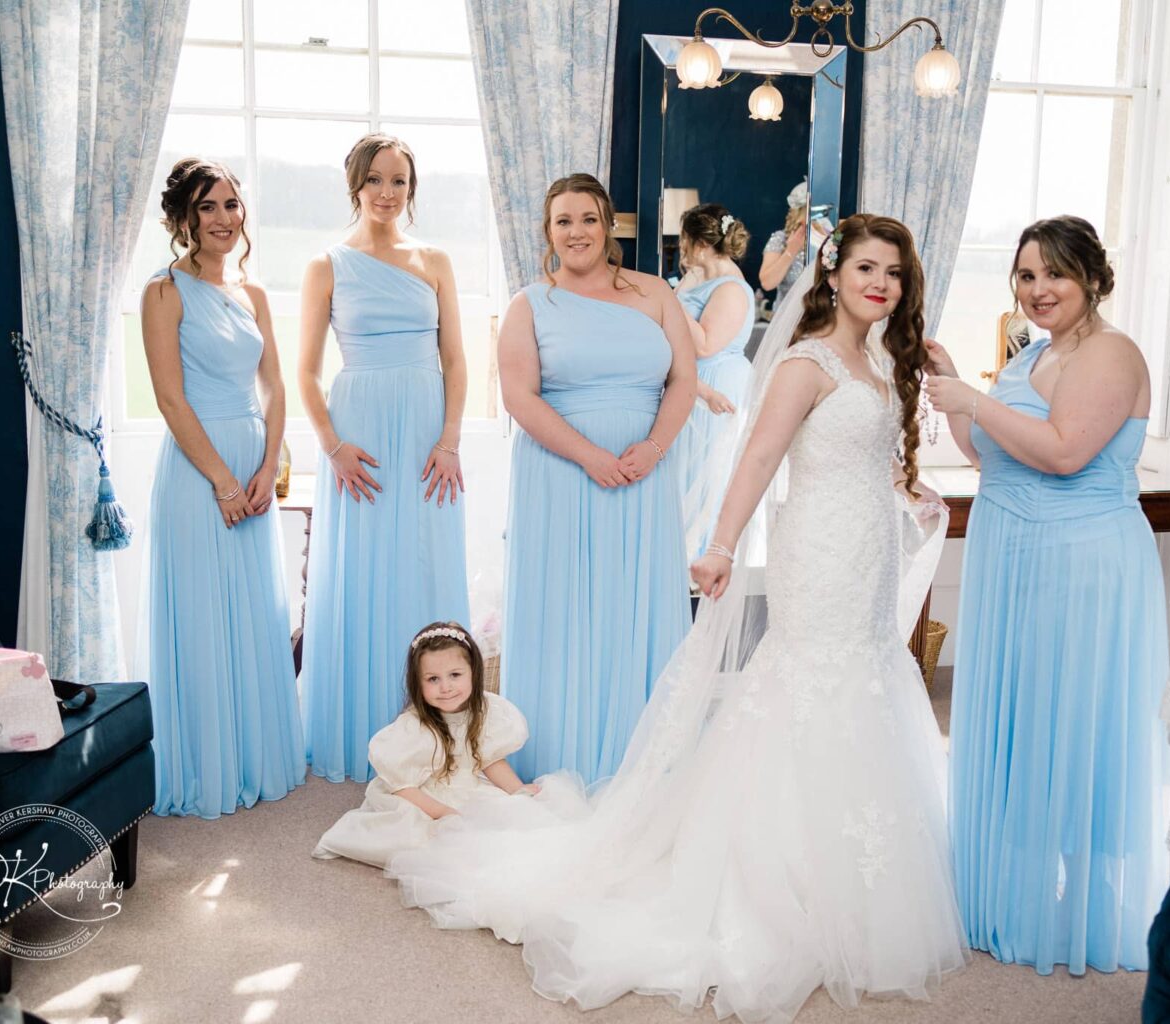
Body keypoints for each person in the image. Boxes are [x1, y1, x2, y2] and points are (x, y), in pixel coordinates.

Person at [387, 214, 967, 1022]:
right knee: (810, 685)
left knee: (866, 681)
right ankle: (782, 881)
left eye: (894, 273)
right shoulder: (805, 362)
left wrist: (910, 489)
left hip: (868, 554)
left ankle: (861, 879)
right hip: (818, 557)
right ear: (832, 275)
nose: (881, 284)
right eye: (866, 267)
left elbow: (868, 455)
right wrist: (721, 544)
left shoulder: (880, 361)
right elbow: (758, 457)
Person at [926, 214, 1169, 975]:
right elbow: (988, 454)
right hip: (1014, 560)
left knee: (1075, 718)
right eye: (1027, 276)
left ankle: (1087, 899)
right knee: (1026, 714)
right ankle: (1016, 890)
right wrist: (958, 389)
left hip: (1080, 561)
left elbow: (1065, 454)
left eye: (1055, 274)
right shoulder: (1031, 353)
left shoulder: (1110, 353)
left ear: (1092, 277)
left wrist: (971, 397)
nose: (1038, 290)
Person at [498, 173, 697, 784]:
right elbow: (519, 397)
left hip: (644, 475)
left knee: (634, 605)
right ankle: (562, 757)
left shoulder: (655, 293)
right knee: (566, 612)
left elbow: (684, 380)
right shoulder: (530, 304)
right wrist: (589, 456)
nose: (577, 231)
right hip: (560, 474)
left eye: (589, 218)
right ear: (548, 231)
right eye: (564, 221)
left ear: (608, 225)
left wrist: (655, 448)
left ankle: (641, 759)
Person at [297, 133, 471, 784]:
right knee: (362, 569)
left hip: (426, 432)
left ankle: (437, 732)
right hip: (360, 434)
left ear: (411, 188)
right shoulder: (327, 265)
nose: (387, 192)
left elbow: (456, 359)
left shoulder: (435, 260)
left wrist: (449, 440)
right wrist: (333, 447)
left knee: (424, 562)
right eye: (375, 179)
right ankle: (363, 728)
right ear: (355, 185)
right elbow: (305, 372)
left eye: (398, 180)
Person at [140, 158, 305, 819]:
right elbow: (170, 400)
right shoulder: (164, 292)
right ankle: (205, 765)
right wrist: (223, 480)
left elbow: (275, 385)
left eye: (231, 204)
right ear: (184, 217)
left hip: (251, 467)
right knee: (203, 614)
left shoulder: (253, 292)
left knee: (252, 612)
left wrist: (267, 466)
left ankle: (252, 755)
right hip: (196, 471)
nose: (222, 218)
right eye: (207, 206)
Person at [313, 622, 539, 869]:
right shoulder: (415, 725)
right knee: (418, 839)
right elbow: (402, 786)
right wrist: (442, 812)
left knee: (510, 825)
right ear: (418, 683)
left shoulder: (485, 710)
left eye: (455, 675)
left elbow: (490, 760)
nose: (446, 688)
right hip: (421, 794)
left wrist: (517, 790)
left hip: (468, 787)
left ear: (473, 672)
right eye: (433, 679)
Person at [671, 203, 755, 558]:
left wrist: (670, 303)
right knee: (684, 474)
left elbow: (705, 344)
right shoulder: (701, 278)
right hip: (694, 383)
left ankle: (701, 557)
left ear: (702, 245)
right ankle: (681, 556)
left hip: (717, 385)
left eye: (684, 240)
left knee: (707, 477)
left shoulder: (731, 289)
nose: (681, 247)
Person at [759, 181, 809, 310]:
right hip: (786, 316)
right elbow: (767, 283)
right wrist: (791, 251)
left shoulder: (830, 242)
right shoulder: (781, 239)